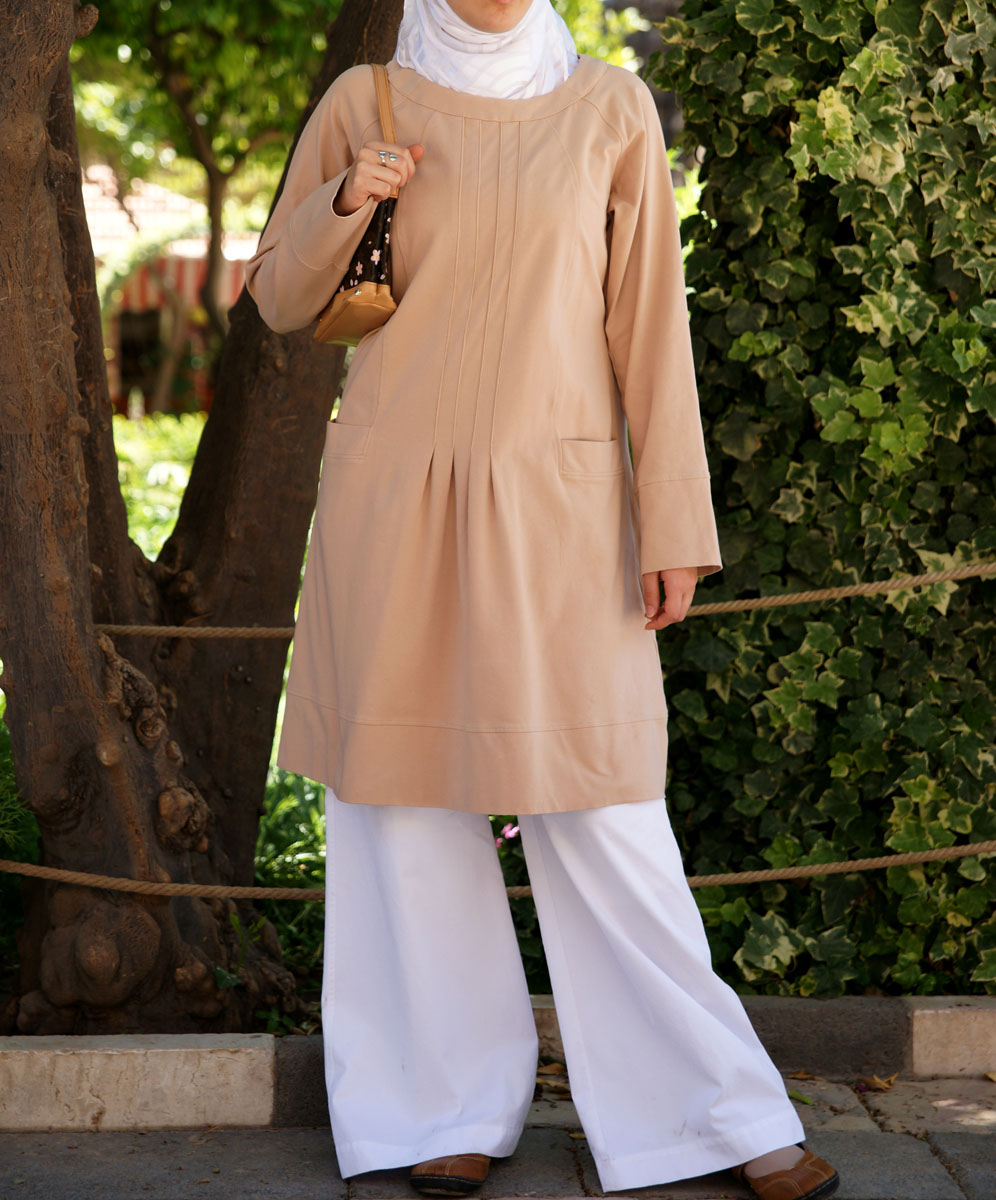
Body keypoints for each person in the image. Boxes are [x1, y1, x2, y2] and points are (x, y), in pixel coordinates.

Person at [245, 1, 840, 1198]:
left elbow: (650, 321)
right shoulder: (367, 100)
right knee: (402, 804)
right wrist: (348, 198)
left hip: (564, 506)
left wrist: (673, 519)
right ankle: (440, 1109)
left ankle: (713, 1115)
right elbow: (276, 296)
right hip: (393, 497)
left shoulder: (610, 106)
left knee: (605, 803)